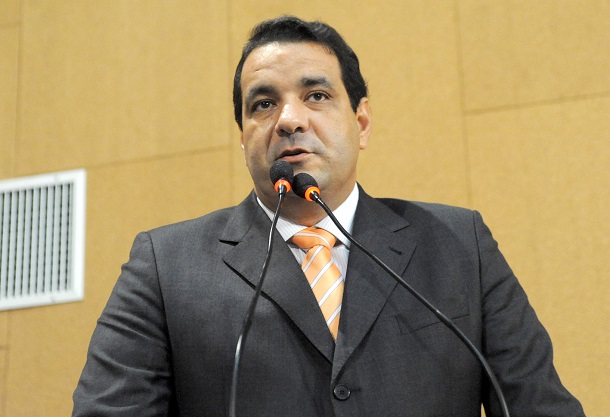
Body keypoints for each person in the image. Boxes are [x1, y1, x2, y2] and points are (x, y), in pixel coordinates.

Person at [73, 16, 585, 416]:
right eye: (263, 104)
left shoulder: (459, 245)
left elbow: (538, 405)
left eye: (316, 96)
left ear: (361, 122)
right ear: (244, 137)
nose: (289, 119)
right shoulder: (165, 268)